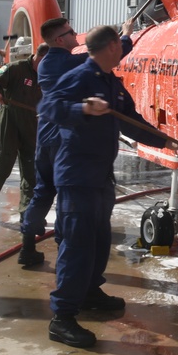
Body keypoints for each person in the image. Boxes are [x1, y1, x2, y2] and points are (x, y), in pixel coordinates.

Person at [39, 24, 178, 348]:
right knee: (77, 246)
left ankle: (90, 292)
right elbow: (48, 108)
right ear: (109, 49)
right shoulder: (80, 77)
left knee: (99, 241)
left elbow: (131, 121)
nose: (124, 47)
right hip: (77, 177)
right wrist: (83, 109)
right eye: (119, 45)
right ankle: (62, 318)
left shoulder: (111, 83)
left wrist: (166, 141)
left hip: (101, 177)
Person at [18, 17, 133, 245]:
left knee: (43, 190)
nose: (75, 34)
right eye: (71, 32)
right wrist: (126, 35)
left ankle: (28, 240)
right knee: (66, 194)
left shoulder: (46, 63)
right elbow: (102, 58)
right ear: (60, 39)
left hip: (44, 137)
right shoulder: (66, 63)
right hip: (60, 138)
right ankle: (64, 241)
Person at [0, 44, 49, 260]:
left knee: (32, 172)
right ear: (38, 57)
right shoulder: (15, 68)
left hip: (32, 124)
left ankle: (28, 216)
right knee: (3, 165)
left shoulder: (48, 74)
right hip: (9, 118)